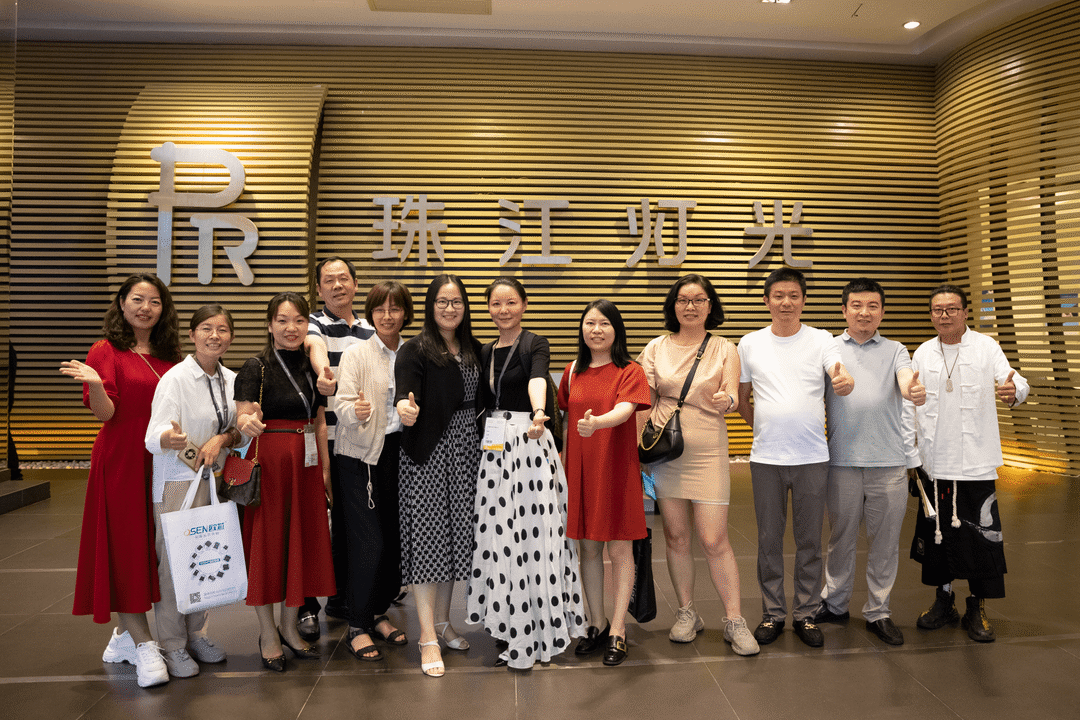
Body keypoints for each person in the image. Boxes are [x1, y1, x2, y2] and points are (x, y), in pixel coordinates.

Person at [61, 273, 181, 688]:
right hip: (123, 459)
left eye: (154, 301)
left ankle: (124, 637)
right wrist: (96, 385)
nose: (145, 308)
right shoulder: (105, 350)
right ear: (122, 303)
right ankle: (144, 643)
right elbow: (106, 413)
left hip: (164, 459)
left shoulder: (170, 354)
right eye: (137, 299)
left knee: (158, 552)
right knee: (127, 549)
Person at [466, 278, 586, 670]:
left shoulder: (535, 343)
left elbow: (538, 378)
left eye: (511, 303)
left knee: (536, 535)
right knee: (499, 535)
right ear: (488, 308)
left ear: (524, 304)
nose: (503, 310)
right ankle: (508, 625)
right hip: (495, 447)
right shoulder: (485, 351)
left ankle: (539, 626)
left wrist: (538, 412)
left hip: (530, 441)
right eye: (496, 303)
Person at [637, 275, 759, 656]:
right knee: (676, 536)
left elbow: (732, 394)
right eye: (683, 299)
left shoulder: (725, 348)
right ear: (673, 306)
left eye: (698, 299)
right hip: (665, 452)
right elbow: (644, 403)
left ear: (710, 306)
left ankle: (734, 619)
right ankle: (687, 612)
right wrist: (640, 455)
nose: (690, 306)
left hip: (707, 452)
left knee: (713, 539)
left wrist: (728, 401)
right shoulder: (656, 348)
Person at [737, 268, 855, 648]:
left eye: (793, 296)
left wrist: (845, 381)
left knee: (809, 541)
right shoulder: (750, 343)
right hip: (766, 458)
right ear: (766, 301)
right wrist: (764, 425)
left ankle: (805, 613)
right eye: (778, 296)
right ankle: (772, 614)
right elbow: (742, 397)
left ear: (803, 301)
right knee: (769, 540)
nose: (786, 302)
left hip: (812, 457)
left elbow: (839, 373)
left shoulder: (822, 340)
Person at [908, 284, 1029, 643]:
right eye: (937, 310)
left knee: (980, 539)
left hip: (975, 463)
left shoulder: (986, 347)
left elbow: (1014, 380)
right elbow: (910, 403)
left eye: (951, 309)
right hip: (934, 462)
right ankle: (944, 600)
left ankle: (977, 605)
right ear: (931, 315)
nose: (944, 315)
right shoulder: (923, 352)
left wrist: (1015, 392)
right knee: (938, 538)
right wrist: (910, 453)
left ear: (964, 312)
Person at [812, 279, 925, 646]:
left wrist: (911, 389)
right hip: (841, 462)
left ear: (882, 312)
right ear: (844, 310)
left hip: (889, 464)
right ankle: (835, 602)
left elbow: (905, 379)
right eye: (857, 305)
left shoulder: (896, 349)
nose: (864, 312)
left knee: (885, 543)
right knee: (840, 539)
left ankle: (879, 611)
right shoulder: (829, 349)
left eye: (873, 306)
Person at [235, 292, 336, 672]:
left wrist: (325, 470)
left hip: (306, 464)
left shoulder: (313, 366)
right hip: (271, 465)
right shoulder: (256, 366)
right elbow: (243, 416)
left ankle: (290, 628)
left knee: (301, 546)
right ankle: (268, 634)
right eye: (282, 320)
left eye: (298, 320)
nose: (291, 328)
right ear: (269, 325)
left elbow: (319, 420)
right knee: (268, 546)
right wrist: (247, 421)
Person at [144, 305, 246, 677]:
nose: (214, 336)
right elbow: (153, 437)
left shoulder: (232, 380)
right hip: (177, 484)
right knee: (175, 565)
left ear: (231, 336)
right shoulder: (175, 379)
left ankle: (197, 633)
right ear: (192, 335)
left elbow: (241, 432)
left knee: (206, 559)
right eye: (206, 328)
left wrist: (223, 439)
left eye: (222, 329)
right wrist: (175, 442)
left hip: (216, 483)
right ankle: (172, 645)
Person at [395, 274, 483, 678]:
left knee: (455, 541)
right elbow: (405, 393)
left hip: (468, 453)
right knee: (428, 543)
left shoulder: (473, 348)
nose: (450, 308)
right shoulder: (414, 349)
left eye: (457, 301)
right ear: (431, 307)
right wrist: (405, 408)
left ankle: (445, 622)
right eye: (442, 302)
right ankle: (427, 635)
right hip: (427, 453)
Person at [557, 299, 651, 667]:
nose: (596, 330)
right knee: (589, 550)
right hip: (581, 470)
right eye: (590, 323)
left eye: (604, 324)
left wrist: (598, 423)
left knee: (620, 549)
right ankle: (596, 623)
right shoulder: (571, 372)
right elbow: (566, 420)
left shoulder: (630, 371)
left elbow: (626, 411)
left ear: (617, 330)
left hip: (616, 469)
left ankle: (618, 629)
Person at [332, 281, 413, 662]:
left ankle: (378, 613)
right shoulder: (357, 353)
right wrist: (355, 411)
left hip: (399, 455)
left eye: (394, 309)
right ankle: (358, 625)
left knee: (394, 542)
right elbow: (342, 405)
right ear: (371, 313)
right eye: (380, 309)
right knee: (369, 543)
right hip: (360, 457)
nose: (387, 316)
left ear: (405, 313)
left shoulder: (412, 353)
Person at [299, 257, 374, 639]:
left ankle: (342, 597)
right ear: (318, 289)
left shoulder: (369, 329)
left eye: (343, 278)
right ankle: (305, 606)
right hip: (320, 438)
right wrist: (323, 371)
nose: (337, 285)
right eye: (329, 280)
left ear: (356, 284)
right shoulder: (313, 323)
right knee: (313, 523)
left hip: (356, 442)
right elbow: (313, 346)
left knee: (348, 523)